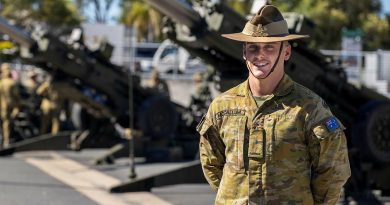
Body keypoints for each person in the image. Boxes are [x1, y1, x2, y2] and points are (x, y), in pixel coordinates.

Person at [197, 5, 351, 205]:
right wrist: (234, 196)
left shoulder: (309, 108)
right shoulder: (221, 106)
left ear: (286, 52)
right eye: (253, 47)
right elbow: (211, 164)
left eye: (269, 47)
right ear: (244, 52)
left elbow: (333, 171)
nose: (260, 55)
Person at [0, 63, 20, 148]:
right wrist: (17, 107)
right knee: (7, 123)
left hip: (3, 105)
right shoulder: (12, 83)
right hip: (10, 105)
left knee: (5, 123)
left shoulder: (1, 82)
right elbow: (17, 96)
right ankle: (6, 140)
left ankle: (5, 140)